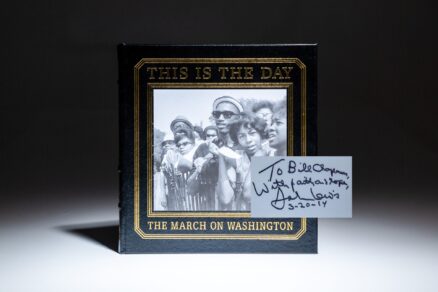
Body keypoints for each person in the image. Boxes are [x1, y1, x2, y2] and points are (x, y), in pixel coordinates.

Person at [214, 113, 269, 211]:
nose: (248, 140)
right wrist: (221, 158)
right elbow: (226, 199)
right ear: (237, 139)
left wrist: (258, 158)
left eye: (252, 133)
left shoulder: (272, 155)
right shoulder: (238, 159)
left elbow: (249, 195)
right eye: (242, 136)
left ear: (260, 134)